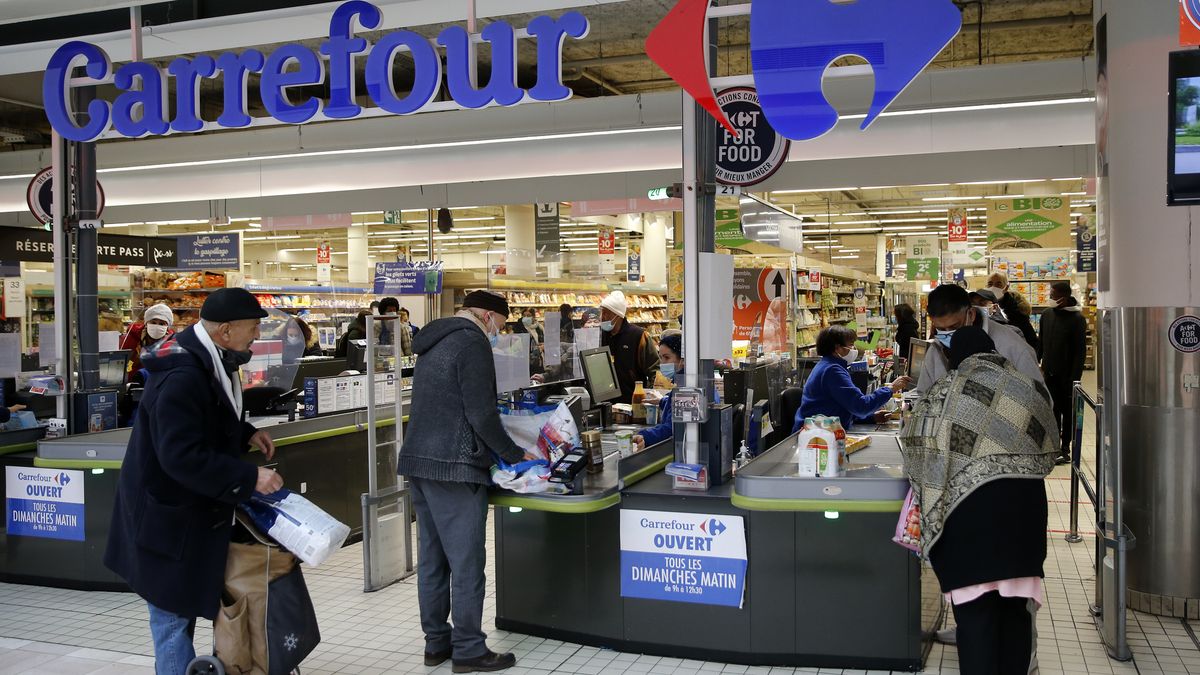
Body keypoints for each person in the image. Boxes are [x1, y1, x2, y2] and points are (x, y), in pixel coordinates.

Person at [104, 288, 280, 674]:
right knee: (171, 623)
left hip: (182, 516)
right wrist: (248, 476)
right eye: (252, 328)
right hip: (164, 521)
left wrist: (243, 432)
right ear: (226, 330)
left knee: (177, 613)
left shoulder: (206, 357)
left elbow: (208, 416)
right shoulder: (183, 375)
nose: (256, 336)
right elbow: (180, 455)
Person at [900, 326, 1056, 674]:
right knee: (1015, 615)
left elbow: (916, 445)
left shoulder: (946, 391)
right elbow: (1049, 437)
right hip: (1024, 518)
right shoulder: (1027, 388)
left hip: (967, 520)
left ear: (957, 358)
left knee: (976, 622)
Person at [399, 290, 528, 673]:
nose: (498, 333)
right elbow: (481, 414)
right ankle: (470, 648)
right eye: (500, 325)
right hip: (455, 467)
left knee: (433, 561)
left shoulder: (433, 340)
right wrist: (516, 456)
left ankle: (436, 644)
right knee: (467, 563)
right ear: (488, 316)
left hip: (420, 462)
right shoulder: (472, 343)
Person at [916, 284, 1043, 395]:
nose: (948, 334)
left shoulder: (1012, 346)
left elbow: (1039, 401)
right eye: (941, 329)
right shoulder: (936, 350)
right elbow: (923, 395)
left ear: (970, 314)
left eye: (954, 326)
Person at [792, 326, 910, 433]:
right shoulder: (832, 370)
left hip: (820, 430)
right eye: (851, 345)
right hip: (816, 436)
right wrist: (890, 389)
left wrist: (871, 417)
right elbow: (861, 406)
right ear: (837, 348)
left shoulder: (827, 365)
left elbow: (843, 407)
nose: (854, 349)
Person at [1039, 281, 1088, 464]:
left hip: (1067, 376)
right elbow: (1041, 343)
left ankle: (1065, 447)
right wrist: (1037, 362)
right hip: (1049, 372)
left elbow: (1079, 351)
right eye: (1050, 294)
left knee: (1067, 413)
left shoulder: (1077, 319)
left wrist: (1075, 378)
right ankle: (1053, 446)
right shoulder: (1046, 315)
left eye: (1054, 295)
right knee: (1052, 410)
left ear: (1064, 297)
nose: (1050, 298)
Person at [599, 290, 659, 404]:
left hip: (632, 402)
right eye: (602, 312)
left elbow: (654, 370)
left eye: (607, 313)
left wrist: (649, 398)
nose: (603, 317)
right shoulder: (599, 336)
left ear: (618, 315)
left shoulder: (638, 336)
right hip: (604, 403)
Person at [634, 331, 682, 451]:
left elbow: (673, 427)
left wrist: (644, 435)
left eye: (667, 357)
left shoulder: (687, 389)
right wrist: (662, 401)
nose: (662, 364)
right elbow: (677, 408)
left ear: (682, 360)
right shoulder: (682, 384)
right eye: (660, 358)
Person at [121, 303, 175, 382]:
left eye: (162, 324)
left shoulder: (171, 343)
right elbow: (123, 366)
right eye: (153, 322)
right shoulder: (133, 338)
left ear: (167, 327)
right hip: (134, 383)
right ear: (146, 323)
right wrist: (135, 362)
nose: (157, 326)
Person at [985, 273, 1039, 353]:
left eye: (998, 284)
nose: (993, 287)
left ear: (1006, 287)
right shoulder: (982, 307)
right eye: (990, 284)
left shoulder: (1016, 310)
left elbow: (1031, 341)